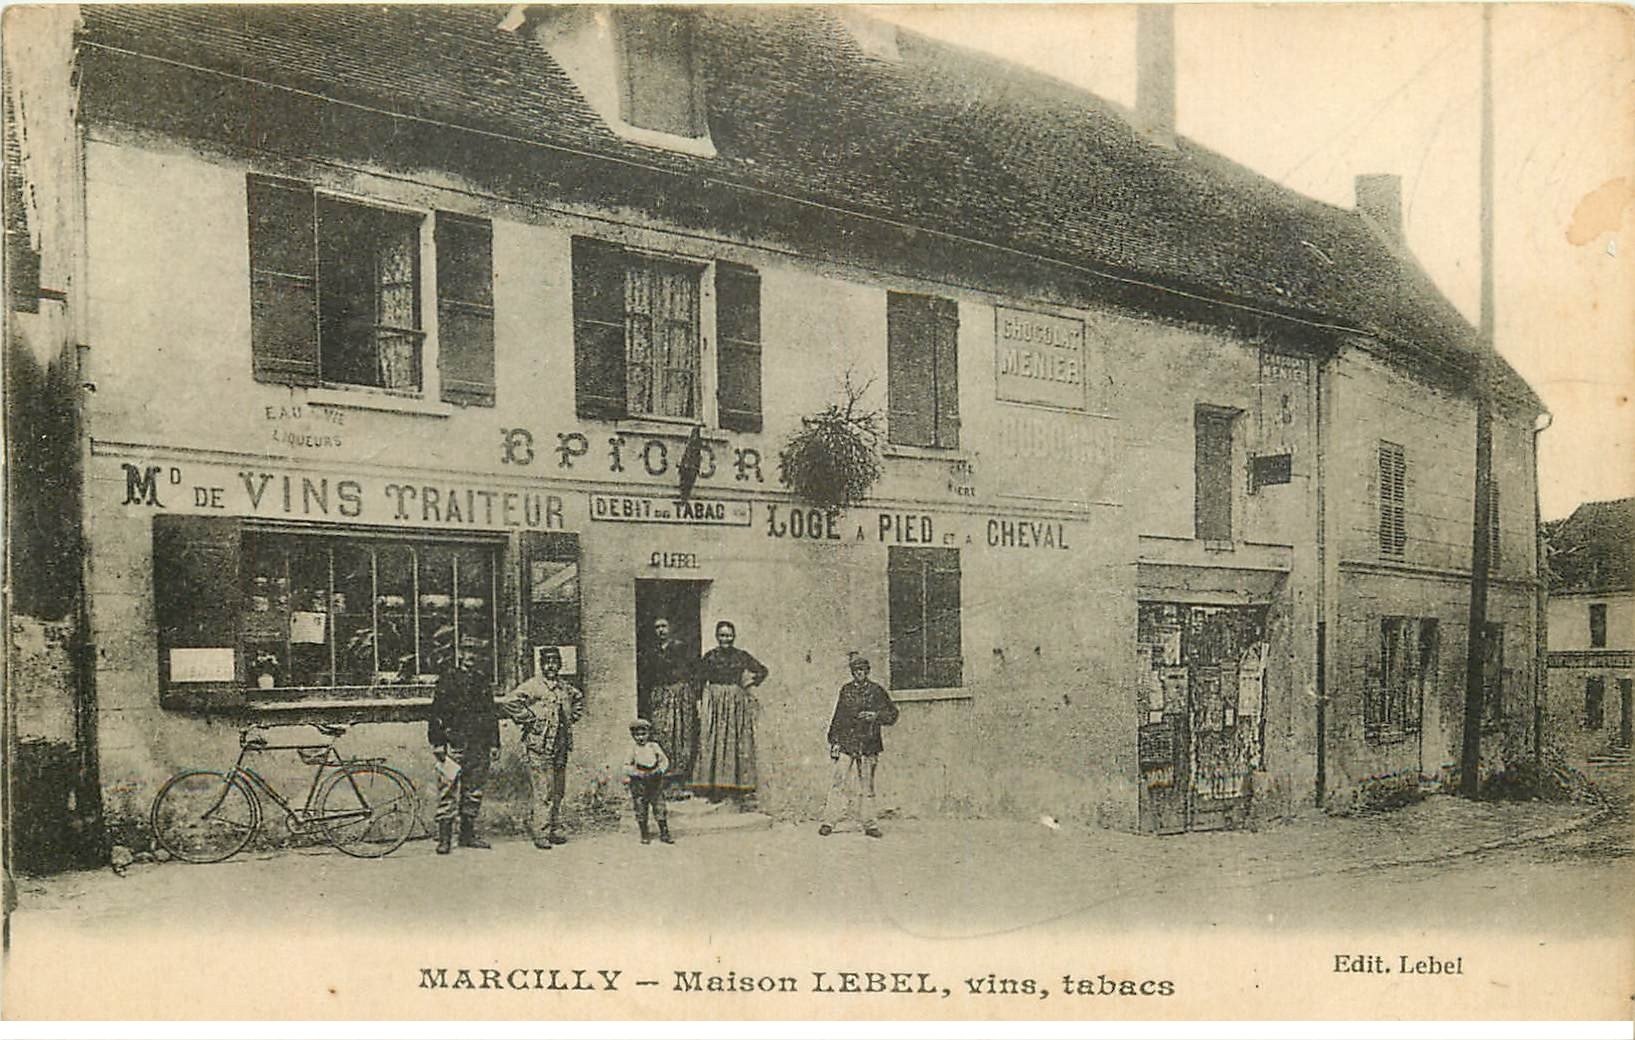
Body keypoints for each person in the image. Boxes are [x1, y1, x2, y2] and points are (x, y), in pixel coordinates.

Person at [498, 647, 585, 849]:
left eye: (555, 662)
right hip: (539, 745)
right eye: (547, 662)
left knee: (558, 790)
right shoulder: (533, 686)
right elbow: (509, 702)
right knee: (543, 791)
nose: (551, 666)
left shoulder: (564, 687)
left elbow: (578, 700)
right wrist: (529, 718)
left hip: (561, 745)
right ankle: (541, 832)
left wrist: (571, 717)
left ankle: (555, 829)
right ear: (541, 665)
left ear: (560, 665)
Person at [427, 638, 500, 855]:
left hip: (479, 744)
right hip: (454, 744)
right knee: (448, 789)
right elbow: (436, 712)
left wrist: (494, 742)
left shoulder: (482, 680)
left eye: (475, 652)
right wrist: (438, 742)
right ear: (459, 654)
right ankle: (444, 838)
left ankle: (467, 835)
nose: (471, 656)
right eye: (467, 651)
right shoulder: (447, 679)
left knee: (473, 791)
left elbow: (491, 713)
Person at [819, 654, 899, 838]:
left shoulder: (877, 691)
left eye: (862, 670)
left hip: (869, 743)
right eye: (856, 671)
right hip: (847, 742)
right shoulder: (846, 690)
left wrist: (875, 716)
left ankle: (870, 824)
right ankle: (829, 822)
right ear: (852, 673)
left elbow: (893, 714)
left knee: (867, 785)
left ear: (867, 671)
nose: (859, 673)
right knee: (838, 782)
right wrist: (834, 741)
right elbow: (838, 717)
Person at [691, 620, 769, 804]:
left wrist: (750, 683)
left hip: (735, 702)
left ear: (734, 637)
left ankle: (737, 786)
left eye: (728, 635)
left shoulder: (741, 656)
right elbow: (699, 680)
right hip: (715, 702)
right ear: (717, 637)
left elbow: (762, 671)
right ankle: (715, 786)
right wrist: (700, 703)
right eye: (722, 635)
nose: (725, 639)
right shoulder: (710, 657)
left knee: (735, 741)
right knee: (715, 740)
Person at [640, 617, 697, 791]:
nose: (661, 630)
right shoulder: (652, 651)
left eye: (664, 626)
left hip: (679, 693)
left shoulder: (680, 647)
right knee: (662, 732)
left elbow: (691, 670)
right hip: (660, 694)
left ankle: (679, 777)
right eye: (657, 627)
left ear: (671, 628)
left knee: (679, 734)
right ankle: (663, 774)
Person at [622, 718, 674, 845]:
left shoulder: (653, 746)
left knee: (659, 806)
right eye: (637, 735)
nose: (641, 737)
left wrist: (660, 770)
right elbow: (626, 766)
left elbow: (664, 760)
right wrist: (637, 773)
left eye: (643, 734)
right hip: (639, 782)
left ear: (648, 733)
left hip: (654, 779)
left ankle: (664, 833)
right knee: (641, 807)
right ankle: (644, 833)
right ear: (633, 736)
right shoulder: (632, 749)